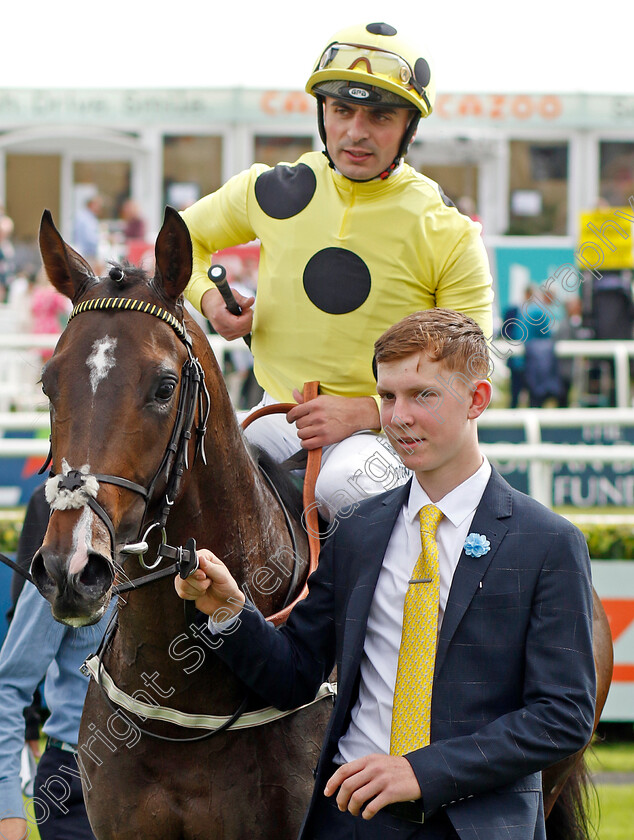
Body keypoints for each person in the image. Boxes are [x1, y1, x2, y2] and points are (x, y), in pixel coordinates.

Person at [175, 308, 596, 840]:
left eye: (423, 395)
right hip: (349, 821)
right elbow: (295, 674)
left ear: (477, 400)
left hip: (474, 826)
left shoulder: (549, 542)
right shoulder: (357, 530)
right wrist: (232, 613)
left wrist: (422, 771)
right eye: (388, 397)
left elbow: (562, 717)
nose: (398, 416)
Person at [181, 22, 494, 519]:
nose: (356, 132)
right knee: (172, 484)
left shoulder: (448, 230)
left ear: (409, 128)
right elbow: (180, 240)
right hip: (276, 411)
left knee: (347, 487)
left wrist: (371, 409)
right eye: (342, 110)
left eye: (380, 116)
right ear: (322, 111)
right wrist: (208, 299)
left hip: (391, 432)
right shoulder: (267, 190)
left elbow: (473, 364)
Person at [0, 484, 114, 840]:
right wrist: (7, 805)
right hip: (75, 785)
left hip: (166, 778)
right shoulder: (69, 560)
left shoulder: (177, 560)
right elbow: (9, 685)